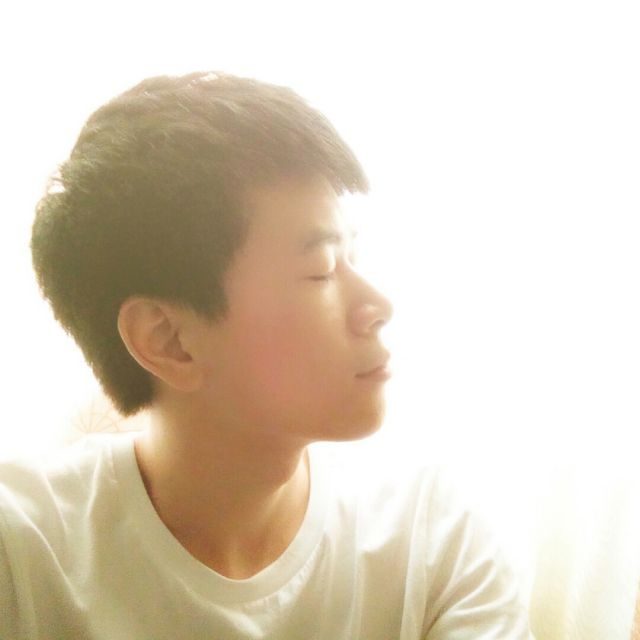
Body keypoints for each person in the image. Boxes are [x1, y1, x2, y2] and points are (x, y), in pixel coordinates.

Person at [0, 71, 533, 638]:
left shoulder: (433, 535)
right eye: (321, 271)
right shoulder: (23, 551)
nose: (377, 306)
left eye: (352, 259)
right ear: (168, 340)